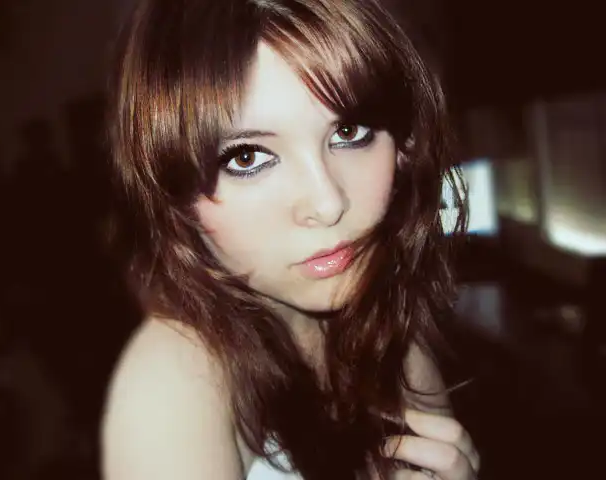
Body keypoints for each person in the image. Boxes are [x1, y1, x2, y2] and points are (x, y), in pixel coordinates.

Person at [101, 0, 479, 478]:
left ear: (403, 146)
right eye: (246, 158)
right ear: (170, 189)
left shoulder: (392, 338)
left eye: (349, 131)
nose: (328, 203)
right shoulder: (171, 383)